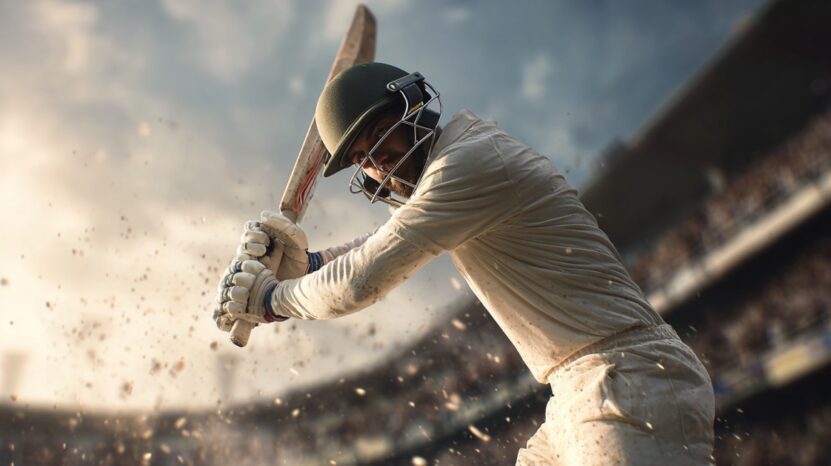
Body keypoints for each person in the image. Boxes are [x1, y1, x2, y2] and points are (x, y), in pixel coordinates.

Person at [213, 63, 715, 465]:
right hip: (577, 391)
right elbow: (382, 240)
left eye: (381, 134)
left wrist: (272, 300)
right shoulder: (454, 170)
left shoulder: (469, 163)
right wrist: (310, 265)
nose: (378, 162)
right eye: (363, 156)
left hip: (627, 377)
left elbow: (363, 278)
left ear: (412, 106)